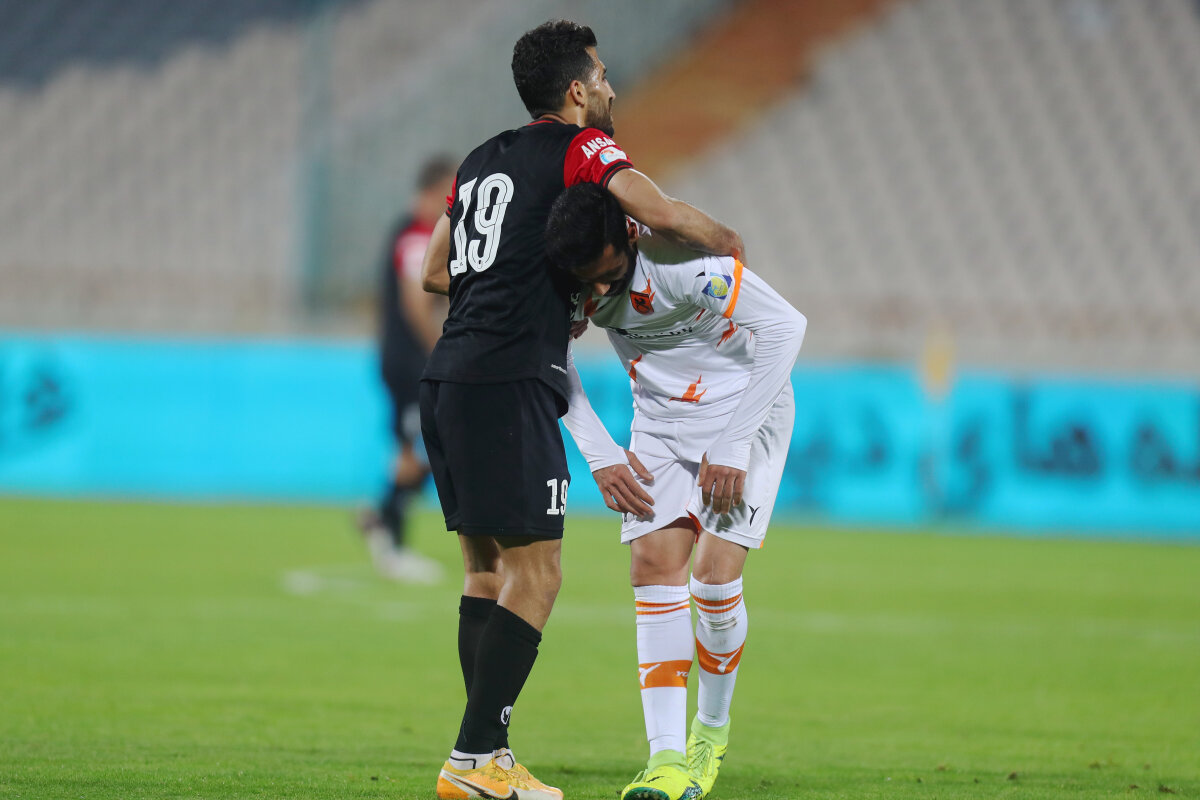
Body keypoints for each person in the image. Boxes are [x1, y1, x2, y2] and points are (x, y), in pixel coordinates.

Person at [418, 19, 744, 800]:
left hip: (449, 377)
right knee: (540, 573)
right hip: (511, 382)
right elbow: (661, 213)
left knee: (486, 571)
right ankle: (472, 759)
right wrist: (729, 243)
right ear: (575, 91)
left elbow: (435, 269)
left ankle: (488, 755)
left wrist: (514, 284)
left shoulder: (478, 160)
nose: (610, 89)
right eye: (600, 77)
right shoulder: (582, 150)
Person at [546, 183, 806, 800]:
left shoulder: (682, 263)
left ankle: (708, 735)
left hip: (745, 412)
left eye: (608, 274)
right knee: (652, 566)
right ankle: (665, 762)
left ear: (630, 235)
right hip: (660, 422)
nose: (598, 291)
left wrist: (735, 443)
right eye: (587, 281)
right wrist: (602, 453)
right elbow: (549, 355)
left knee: (713, 584)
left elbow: (785, 327)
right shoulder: (569, 272)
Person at [359, 155, 456, 583]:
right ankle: (390, 539)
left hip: (400, 358)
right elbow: (416, 303)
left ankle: (381, 520)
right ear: (434, 192)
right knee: (421, 452)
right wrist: (441, 352)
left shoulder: (406, 232)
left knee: (420, 449)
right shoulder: (417, 236)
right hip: (410, 361)